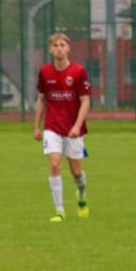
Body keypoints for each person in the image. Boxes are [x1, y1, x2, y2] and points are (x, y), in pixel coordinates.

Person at [33, 32, 92, 223]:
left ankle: (81, 194)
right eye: (55, 45)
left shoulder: (78, 71)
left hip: (73, 130)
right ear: (50, 49)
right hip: (52, 126)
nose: (59, 49)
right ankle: (59, 211)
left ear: (68, 48)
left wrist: (77, 126)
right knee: (54, 163)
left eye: (62, 45)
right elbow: (41, 100)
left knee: (76, 172)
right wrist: (37, 127)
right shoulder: (45, 72)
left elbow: (85, 101)